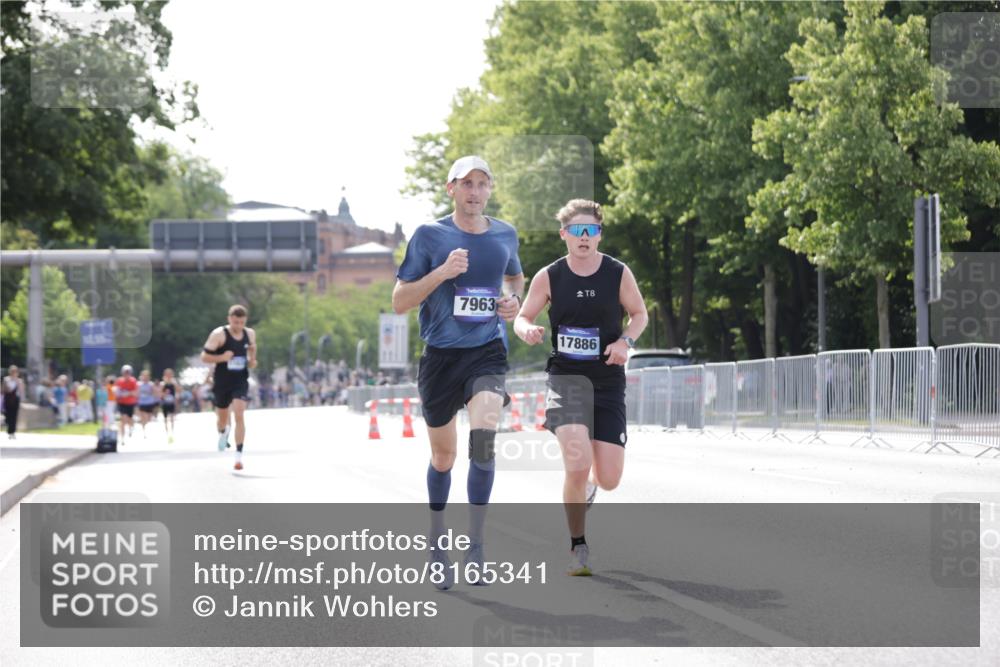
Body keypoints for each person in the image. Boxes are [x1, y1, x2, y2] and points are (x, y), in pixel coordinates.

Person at [392, 155, 524, 589]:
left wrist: (510, 303)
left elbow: (514, 281)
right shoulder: (430, 235)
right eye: (466, 183)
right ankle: (436, 543)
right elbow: (400, 301)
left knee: (484, 440)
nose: (474, 191)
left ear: (490, 189)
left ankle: (477, 546)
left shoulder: (505, 233)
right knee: (444, 457)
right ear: (451, 188)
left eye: (482, 183)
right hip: (441, 358)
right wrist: (443, 272)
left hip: (486, 351)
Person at [514, 199, 648, 576]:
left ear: (599, 234)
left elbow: (639, 314)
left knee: (609, 479)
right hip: (566, 379)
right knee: (577, 461)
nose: (584, 237)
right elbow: (523, 316)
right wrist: (527, 329)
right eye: (577, 231)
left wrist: (626, 342)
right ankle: (578, 546)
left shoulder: (617, 273)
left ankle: (590, 486)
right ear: (564, 235)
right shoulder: (550, 276)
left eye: (591, 231)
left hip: (606, 381)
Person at [200, 304, 257, 471]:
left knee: (239, 413)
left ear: (244, 321)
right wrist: (222, 357)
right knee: (222, 418)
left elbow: (252, 349)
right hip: (222, 381)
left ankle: (238, 456)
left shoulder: (250, 333)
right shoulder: (219, 335)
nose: (238, 326)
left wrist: (252, 359)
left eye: (241, 322)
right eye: (235, 322)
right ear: (229, 319)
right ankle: (223, 432)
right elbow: (204, 357)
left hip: (240, 379)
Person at [114, 365, 139, 444]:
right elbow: (117, 391)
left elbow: (136, 392)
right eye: (125, 373)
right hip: (122, 403)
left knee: (130, 419)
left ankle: (131, 428)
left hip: (131, 403)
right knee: (123, 419)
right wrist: (120, 394)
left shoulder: (133, 381)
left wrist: (128, 393)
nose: (126, 374)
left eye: (128, 373)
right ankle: (122, 438)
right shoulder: (119, 381)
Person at [2, 365, 26, 439]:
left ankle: (12, 431)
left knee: (14, 415)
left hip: (15, 399)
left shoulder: (19, 380)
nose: (14, 373)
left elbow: (21, 391)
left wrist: (22, 400)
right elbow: (2, 389)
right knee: (8, 415)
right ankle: (8, 426)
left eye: (15, 371)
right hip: (7, 399)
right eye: (12, 371)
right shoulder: (6, 379)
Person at [136, 370, 159, 438]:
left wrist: (156, 396)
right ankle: (144, 431)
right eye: (144, 376)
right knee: (143, 416)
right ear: (142, 376)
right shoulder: (139, 384)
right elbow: (137, 393)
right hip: (142, 402)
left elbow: (155, 392)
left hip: (149, 402)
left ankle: (143, 424)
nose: (145, 377)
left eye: (146, 376)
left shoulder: (151, 384)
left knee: (148, 418)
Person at [160, 368, 180, 442]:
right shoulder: (163, 383)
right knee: (165, 418)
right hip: (165, 402)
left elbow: (178, 390)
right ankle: (167, 432)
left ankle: (172, 431)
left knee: (172, 417)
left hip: (172, 402)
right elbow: (160, 393)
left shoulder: (173, 383)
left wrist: (173, 383)